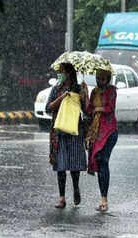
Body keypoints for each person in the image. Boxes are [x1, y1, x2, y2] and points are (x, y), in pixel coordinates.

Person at [45, 63, 88, 209]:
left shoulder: (79, 89)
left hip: (75, 130)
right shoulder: (56, 89)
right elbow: (48, 108)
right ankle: (62, 197)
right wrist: (62, 98)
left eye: (62, 71)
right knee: (61, 165)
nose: (60, 74)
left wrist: (85, 95)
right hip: (59, 131)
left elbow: (87, 110)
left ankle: (76, 188)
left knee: (74, 164)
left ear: (69, 73)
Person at [85, 68, 118, 212]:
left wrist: (97, 109)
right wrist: (84, 94)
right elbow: (88, 110)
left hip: (109, 131)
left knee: (104, 160)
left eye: (103, 78)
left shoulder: (112, 91)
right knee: (99, 162)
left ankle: (104, 199)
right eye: (98, 78)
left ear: (108, 79)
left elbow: (109, 108)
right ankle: (102, 197)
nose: (100, 81)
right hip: (96, 132)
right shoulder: (94, 92)